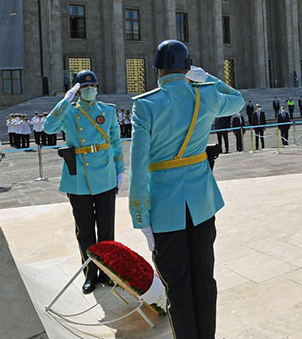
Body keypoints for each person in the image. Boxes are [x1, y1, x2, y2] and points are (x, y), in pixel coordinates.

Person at [129, 40, 243, 339]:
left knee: (177, 285)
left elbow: (138, 165)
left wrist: (141, 216)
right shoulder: (206, 95)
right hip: (202, 203)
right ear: (187, 68)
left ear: (158, 69)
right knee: (204, 278)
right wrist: (207, 78)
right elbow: (238, 99)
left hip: (165, 209)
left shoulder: (146, 104)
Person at [44, 69, 124, 294]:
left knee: (106, 229)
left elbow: (116, 143)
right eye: (84, 88)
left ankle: (109, 272)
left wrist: (120, 170)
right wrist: (64, 101)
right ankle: (90, 274)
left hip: (105, 175)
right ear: (78, 91)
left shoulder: (107, 111)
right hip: (78, 177)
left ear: (97, 88)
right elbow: (48, 127)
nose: (89, 91)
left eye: (92, 87)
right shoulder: (68, 112)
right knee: (85, 231)